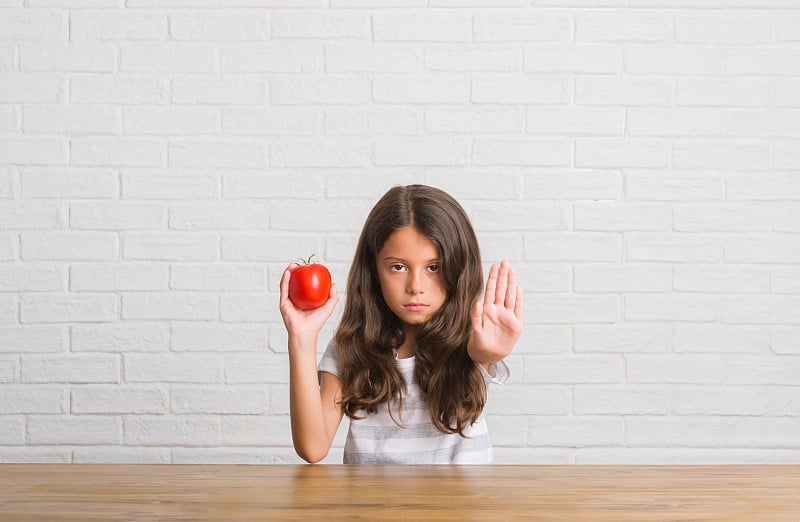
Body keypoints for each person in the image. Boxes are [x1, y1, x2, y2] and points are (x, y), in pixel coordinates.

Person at [279, 184, 523, 464]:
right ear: (373, 271)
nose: (416, 286)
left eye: (434, 267)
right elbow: (312, 447)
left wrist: (489, 356)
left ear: (458, 269)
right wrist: (302, 337)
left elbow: (480, 355)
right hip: (373, 507)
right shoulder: (351, 347)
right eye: (398, 267)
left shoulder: (472, 340)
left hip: (460, 507)